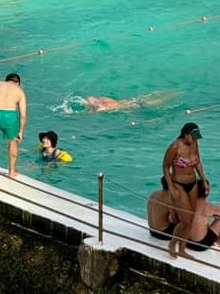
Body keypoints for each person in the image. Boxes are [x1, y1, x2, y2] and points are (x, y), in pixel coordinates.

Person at [162, 121, 207, 259]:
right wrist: (171, 187)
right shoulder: (175, 147)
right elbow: (165, 167)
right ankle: (172, 243)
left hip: (192, 184)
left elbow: (197, 162)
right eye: (192, 136)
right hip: (179, 184)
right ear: (186, 134)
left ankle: (182, 249)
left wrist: (203, 180)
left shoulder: (194, 144)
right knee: (185, 220)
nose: (194, 139)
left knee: (191, 218)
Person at [85, 90, 178, 112]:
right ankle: (177, 92)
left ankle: (177, 93)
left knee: (162, 100)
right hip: (132, 102)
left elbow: (91, 103)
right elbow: (90, 98)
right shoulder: (103, 99)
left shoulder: (101, 107)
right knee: (160, 96)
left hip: (136, 105)